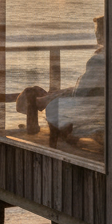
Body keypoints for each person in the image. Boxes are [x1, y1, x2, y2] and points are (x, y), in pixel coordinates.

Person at [17, 16, 105, 148]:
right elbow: (87, 88)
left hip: (93, 106)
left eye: (98, 32)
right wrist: (63, 92)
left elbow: (81, 94)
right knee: (60, 96)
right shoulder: (108, 56)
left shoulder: (98, 60)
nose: (96, 35)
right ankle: (42, 102)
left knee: (55, 105)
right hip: (99, 102)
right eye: (96, 32)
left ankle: (41, 106)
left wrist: (61, 94)